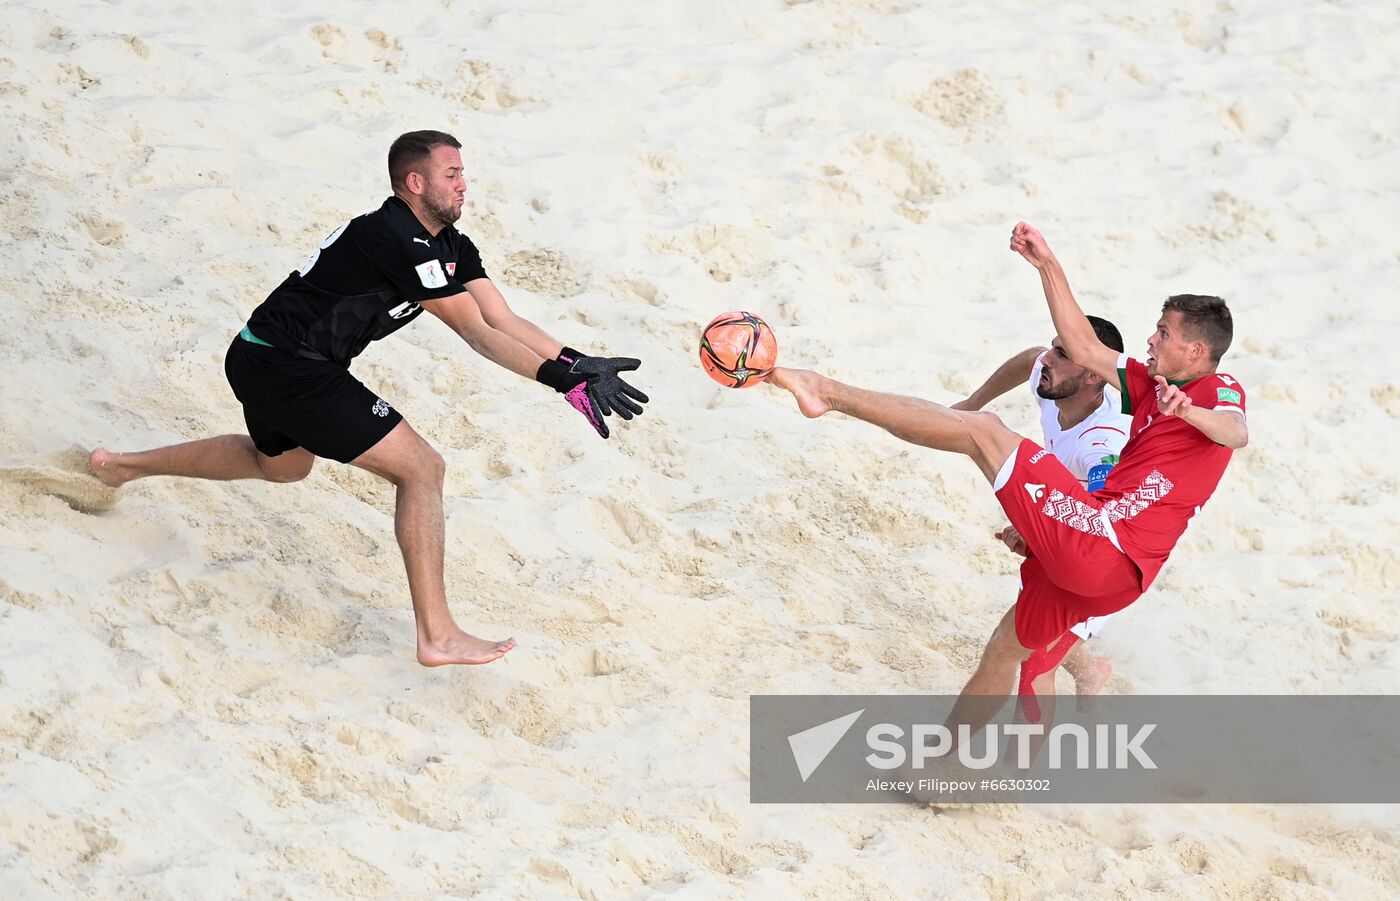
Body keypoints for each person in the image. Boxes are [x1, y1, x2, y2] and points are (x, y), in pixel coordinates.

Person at [89, 130, 649, 667]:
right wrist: (559, 381)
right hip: (289, 366)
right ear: (414, 182)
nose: (463, 185)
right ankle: (437, 634)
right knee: (422, 470)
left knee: (280, 468)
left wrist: (577, 363)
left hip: (263, 356)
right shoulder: (392, 238)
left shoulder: (450, 244)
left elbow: (500, 317)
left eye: (464, 175)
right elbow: (477, 335)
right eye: (452, 175)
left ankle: (120, 467)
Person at [769, 221, 1247, 742]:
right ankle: (960, 763)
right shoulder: (1149, 385)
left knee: (983, 433)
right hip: (1107, 566)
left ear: (1196, 351)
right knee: (1008, 650)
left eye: (1163, 332)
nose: (1151, 339)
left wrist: (1192, 414)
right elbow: (1083, 348)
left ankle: (826, 393)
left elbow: (1236, 432)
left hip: (1108, 546)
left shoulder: (1216, 389)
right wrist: (1046, 264)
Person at [951, 315, 1129, 717]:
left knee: (1033, 662)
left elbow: (1106, 515)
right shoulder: (1055, 380)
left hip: (1109, 553)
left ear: (1092, 377)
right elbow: (1028, 361)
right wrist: (972, 404)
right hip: (1065, 528)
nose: (1046, 359)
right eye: (1054, 346)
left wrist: (1036, 529)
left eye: (1062, 353)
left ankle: (1019, 773)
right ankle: (1092, 672)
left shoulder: (1103, 443)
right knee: (1039, 637)